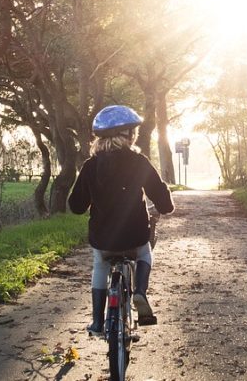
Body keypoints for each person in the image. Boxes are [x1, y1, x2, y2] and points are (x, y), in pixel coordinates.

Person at [68, 104, 175, 335]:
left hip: (103, 239)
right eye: (133, 132)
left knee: (100, 264)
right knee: (145, 253)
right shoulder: (139, 162)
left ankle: (97, 322)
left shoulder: (90, 166)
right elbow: (164, 202)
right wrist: (164, 202)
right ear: (127, 135)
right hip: (135, 237)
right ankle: (140, 293)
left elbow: (75, 206)